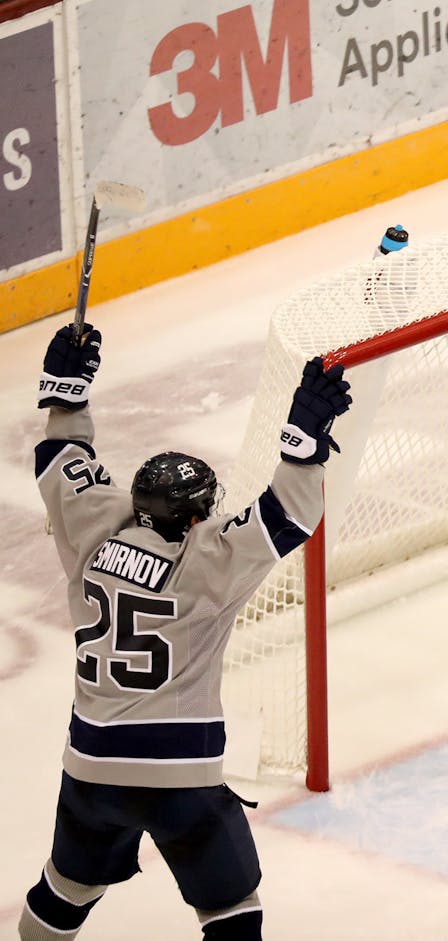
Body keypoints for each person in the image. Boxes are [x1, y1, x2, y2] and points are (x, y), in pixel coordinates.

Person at [20, 321, 352, 941]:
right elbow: (289, 513)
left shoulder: (93, 526)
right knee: (231, 910)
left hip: (90, 766)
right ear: (197, 515)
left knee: (66, 889)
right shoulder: (208, 560)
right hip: (181, 776)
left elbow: (61, 461)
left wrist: (67, 395)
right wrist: (302, 445)